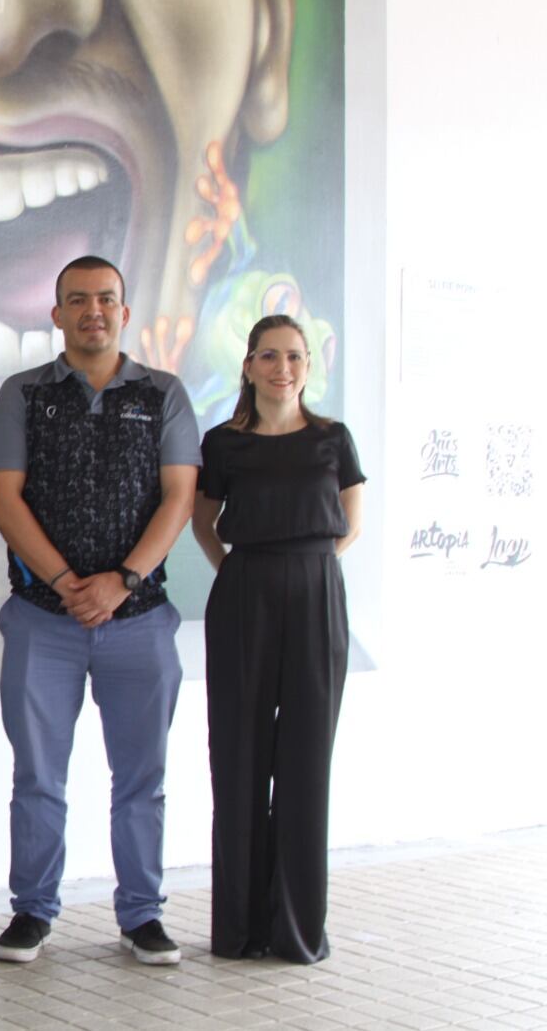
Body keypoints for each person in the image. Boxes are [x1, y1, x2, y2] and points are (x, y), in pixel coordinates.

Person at [0, 256, 200, 966]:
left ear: (125, 312)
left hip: (140, 621)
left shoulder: (162, 393)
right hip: (44, 621)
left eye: (106, 299)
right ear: (57, 314)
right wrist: (70, 582)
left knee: (141, 780)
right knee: (37, 778)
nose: (93, 311)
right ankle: (32, 911)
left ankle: (142, 915)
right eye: (77, 300)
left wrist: (123, 581)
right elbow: (2, 499)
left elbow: (179, 497)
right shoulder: (24, 394)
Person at [191, 315, 364, 964]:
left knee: (305, 762)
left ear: (308, 365)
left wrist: (306, 568)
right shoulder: (223, 442)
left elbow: (350, 523)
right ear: (249, 365)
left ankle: (296, 930)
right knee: (239, 758)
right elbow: (204, 522)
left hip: (317, 592)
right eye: (268, 355)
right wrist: (242, 572)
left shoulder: (332, 438)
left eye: (293, 355)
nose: (281, 367)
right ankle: (240, 930)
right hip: (245, 593)